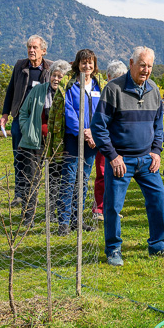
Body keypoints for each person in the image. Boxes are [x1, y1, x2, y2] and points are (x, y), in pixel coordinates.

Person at [91, 46, 164, 266]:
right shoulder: (113, 89)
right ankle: (113, 249)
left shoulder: (154, 90)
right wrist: (112, 156)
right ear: (131, 63)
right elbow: (98, 127)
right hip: (121, 160)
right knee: (112, 206)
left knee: (158, 200)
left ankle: (158, 245)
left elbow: (158, 125)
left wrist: (157, 151)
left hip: (146, 160)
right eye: (142, 65)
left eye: (149, 66)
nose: (146, 70)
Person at [0, 35, 53, 208]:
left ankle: (33, 193)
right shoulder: (19, 66)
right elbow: (11, 90)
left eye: (35, 47)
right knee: (19, 156)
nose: (31, 50)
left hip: (40, 120)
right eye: (29, 47)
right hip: (20, 119)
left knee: (36, 158)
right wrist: (5, 113)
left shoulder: (50, 68)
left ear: (43, 51)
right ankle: (19, 195)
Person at [58, 50, 106, 235]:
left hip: (92, 141)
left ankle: (77, 220)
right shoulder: (70, 85)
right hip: (73, 138)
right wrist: (84, 132)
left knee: (83, 180)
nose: (87, 66)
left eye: (90, 63)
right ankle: (63, 221)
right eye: (84, 63)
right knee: (69, 179)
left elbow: (103, 110)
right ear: (78, 64)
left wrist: (93, 133)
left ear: (94, 65)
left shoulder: (98, 85)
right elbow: (68, 111)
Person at [17, 59, 70, 226]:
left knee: (54, 180)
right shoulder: (38, 90)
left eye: (60, 77)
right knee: (32, 179)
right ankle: (28, 216)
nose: (56, 79)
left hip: (57, 144)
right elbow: (23, 112)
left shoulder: (67, 94)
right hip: (35, 142)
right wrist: (28, 130)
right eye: (54, 75)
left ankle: (51, 214)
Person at [92, 60, 128, 221]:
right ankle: (99, 208)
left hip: (121, 141)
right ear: (108, 77)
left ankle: (114, 208)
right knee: (102, 173)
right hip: (105, 140)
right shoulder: (104, 93)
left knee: (119, 175)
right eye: (116, 78)